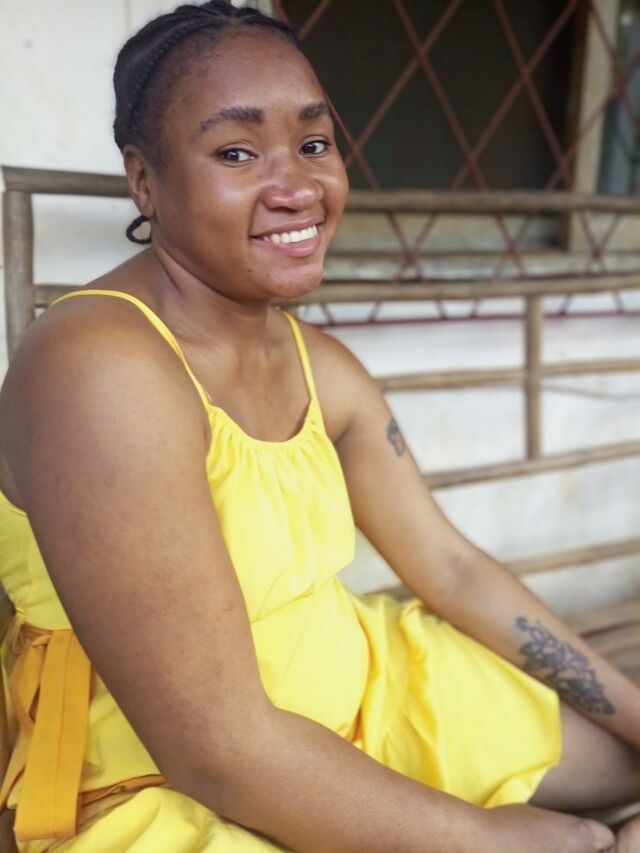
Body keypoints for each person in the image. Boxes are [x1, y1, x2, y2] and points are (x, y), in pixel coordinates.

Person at [0, 3, 638, 851]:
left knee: (622, 766)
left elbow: (450, 566)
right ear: (145, 181)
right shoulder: (98, 368)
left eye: (313, 142)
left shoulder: (319, 365)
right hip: (163, 775)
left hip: (360, 685)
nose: (298, 187)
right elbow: (215, 747)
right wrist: (492, 838)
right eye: (236, 152)